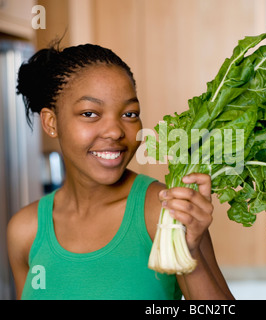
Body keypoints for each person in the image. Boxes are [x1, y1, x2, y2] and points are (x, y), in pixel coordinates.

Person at [7, 42, 234, 300]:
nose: (115, 131)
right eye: (90, 113)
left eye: (129, 114)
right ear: (51, 123)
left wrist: (190, 251)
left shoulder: (165, 212)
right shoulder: (26, 230)